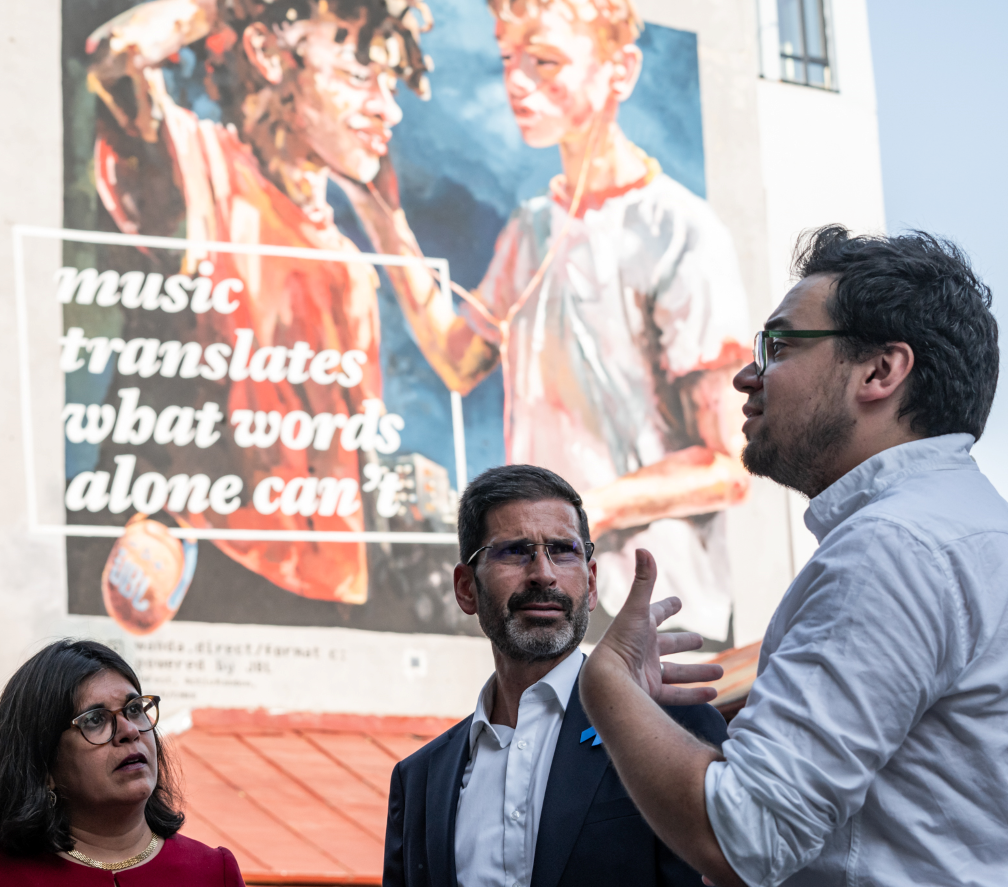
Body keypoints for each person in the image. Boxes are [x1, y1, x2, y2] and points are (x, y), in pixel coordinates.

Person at [578, 226, 1008, 887]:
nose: (746, 375)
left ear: (879, 371)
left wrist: (605, 684)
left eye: (777, 345)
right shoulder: (969, 533)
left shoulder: (891, 548)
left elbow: (743, 836)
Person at [341, 0, 752, 642]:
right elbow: (458, 358)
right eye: (510, 58)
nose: (518, 81)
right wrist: (381, 213)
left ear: (621, 70)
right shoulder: (534, 226)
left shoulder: (679, 229)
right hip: (549, 597)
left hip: (653, 604)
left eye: (546, 60)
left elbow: (728, 464)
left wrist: (577, 517)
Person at [82, 0, 431, 606]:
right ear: (269, 53)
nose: (387, 107)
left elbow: (358, 449)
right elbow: (117, 59)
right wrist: (224, 7)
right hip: (223, 572)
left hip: (339, 599)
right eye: (358, 75)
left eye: (391, 83)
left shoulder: (349, 264)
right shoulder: (208, 169)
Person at [382, 464, 727, 886]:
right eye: (514, 550)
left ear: (593, 582)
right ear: (466, 588)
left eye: (563, 550)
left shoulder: (672, 730)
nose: (543, 573)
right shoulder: (420, 781)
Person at [0, 639, 245, 886]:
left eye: (135, 709)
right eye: (95, 719)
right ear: (43, 764)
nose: (130, 731)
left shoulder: (213, 872)